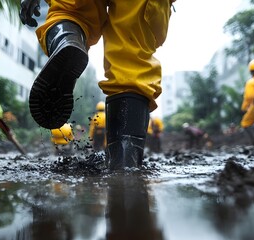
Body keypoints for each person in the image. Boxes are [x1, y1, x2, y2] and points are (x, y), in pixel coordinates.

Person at [20, 0, 176, 170]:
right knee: (131, 58)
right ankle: (123, 164)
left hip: (82, 136)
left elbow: (93, 129)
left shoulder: (97, 116)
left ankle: (66, 39)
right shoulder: (106, 118)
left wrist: (93, 139)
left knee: (72, 12)